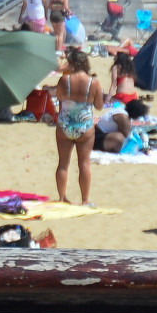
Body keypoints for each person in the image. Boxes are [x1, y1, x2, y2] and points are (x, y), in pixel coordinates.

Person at [49, 48, 99, 205]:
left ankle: (62, 197)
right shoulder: (94, 82)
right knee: (84, 163)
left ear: (73, 64)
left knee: (63, 163)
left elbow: (59, 97)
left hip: (65, 124)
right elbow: (98, 105)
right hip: (84, 126)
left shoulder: (65, 81)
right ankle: (85, 200)